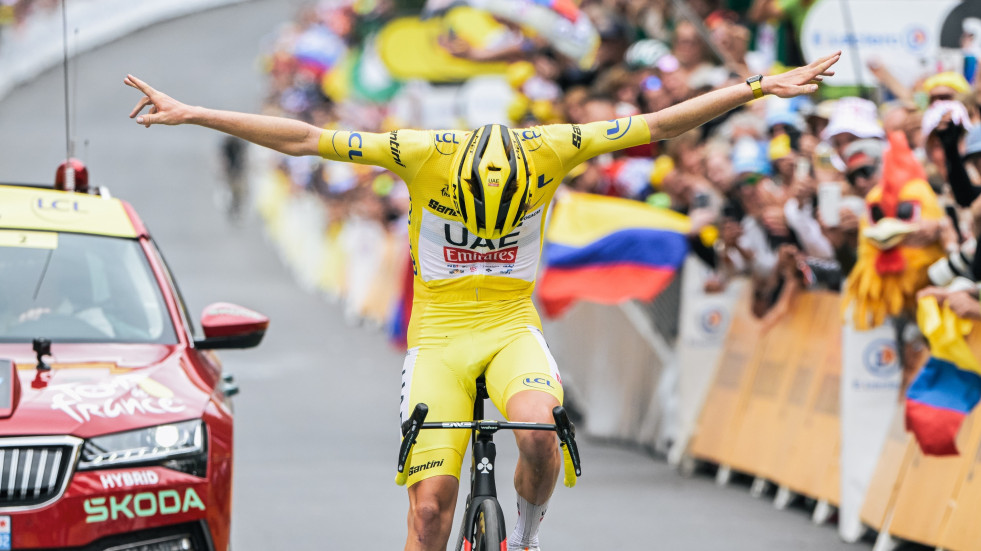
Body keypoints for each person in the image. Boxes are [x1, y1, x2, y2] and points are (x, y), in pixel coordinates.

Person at [123, 50, 839, 551]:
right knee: (430, 509)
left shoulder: (551, 144)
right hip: (436, 339)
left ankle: (523, 536)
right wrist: (195, 113)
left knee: (538, 427)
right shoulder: (418, 148)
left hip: (507, 329)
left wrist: (757, 87)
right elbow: (307, 138)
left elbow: (659, 126)